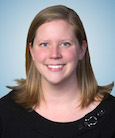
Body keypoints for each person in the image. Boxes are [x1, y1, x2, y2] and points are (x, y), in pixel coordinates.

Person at [0, 5, 115, 138]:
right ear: (31, 51)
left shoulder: (112, 115)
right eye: (44, 44)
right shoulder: (5, 112)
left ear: (82, 50)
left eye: (65, 44)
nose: (54, 54)